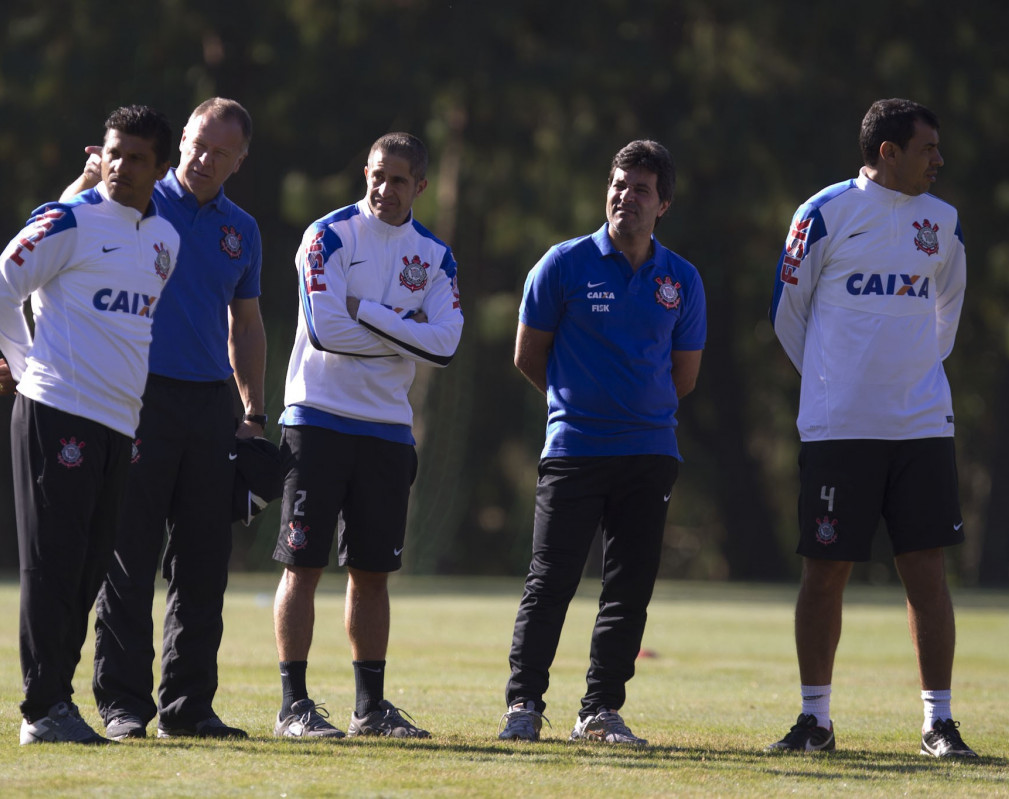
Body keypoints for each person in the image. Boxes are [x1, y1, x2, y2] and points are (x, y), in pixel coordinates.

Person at [766, 98, 977, 758]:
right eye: (927, 149)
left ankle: (939, 723)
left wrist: (906, 378)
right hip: (839, 430)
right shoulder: (822, 213)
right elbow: (788, 314)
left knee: (927, 573)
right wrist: (836, 382)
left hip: (921, 426)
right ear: (888, 152)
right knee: (825, 572)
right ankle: (815, 720)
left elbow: (947, 316)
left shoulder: (943, 223)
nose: (938, 160)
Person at [56, 98, 266, 740]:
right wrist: (88, 180)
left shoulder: (243, 230)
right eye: (197, 144)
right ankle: (123, 705)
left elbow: (247, 323)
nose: (203, 160)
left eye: (219, 152)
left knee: (204, 560)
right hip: (135, 394)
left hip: (209, 405)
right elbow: (63, 226)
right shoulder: (140, 197)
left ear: (239, 160)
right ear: (182, 142)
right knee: (129, 554)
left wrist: (253, 412)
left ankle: (189, 706)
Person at [0, 105, 179, 745]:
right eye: (114, 152)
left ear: (162, 168)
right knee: (53, 564)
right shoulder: (67, 218)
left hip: (119, 424)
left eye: (137, 157)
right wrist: (26, 364)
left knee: (91, 567)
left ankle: (59, 703)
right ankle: (41, 711)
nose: (121, 166)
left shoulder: (164, 242)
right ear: (101, 152)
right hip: (55, 410)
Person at [498, 140, 706, 746]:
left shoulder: (682, 279)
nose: (626, 197)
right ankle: (524, 706)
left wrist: (636, 413)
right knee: (550, 581)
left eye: (641, 189)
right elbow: (526, 355)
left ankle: (599, 711)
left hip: (649, 456)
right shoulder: (562, 264)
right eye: (618, 185)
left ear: (663, 203)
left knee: (628, 589)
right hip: (573, 452)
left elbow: (684, 375)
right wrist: (578, 404)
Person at [272, 132, 463, 739]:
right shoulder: (327, 236)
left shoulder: (436, 256)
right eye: (377, 175)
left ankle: (369, 709)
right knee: (303, 564)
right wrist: (406, 330)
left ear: (421, 187)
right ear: (365, 172)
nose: (385, 188)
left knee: (373, 572)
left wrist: (370, 311)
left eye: (399, 179)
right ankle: (293, 706)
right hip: (317, 417)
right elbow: (325, 329)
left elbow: (447, 344)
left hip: (386, 429)